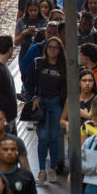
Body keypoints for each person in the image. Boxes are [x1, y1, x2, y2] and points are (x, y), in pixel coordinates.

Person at [27, 36, 67, 185]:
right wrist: (34, 97)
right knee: (43, 137)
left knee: (55, 137)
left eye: (56, 47)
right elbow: (29, 83)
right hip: (42, 103)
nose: (52, 50)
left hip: (57, 102)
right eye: (50, 46)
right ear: (46, 48)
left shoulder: (63, 67)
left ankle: (53, 169)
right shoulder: (38, 63)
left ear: (60, 50)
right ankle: (42, 170)